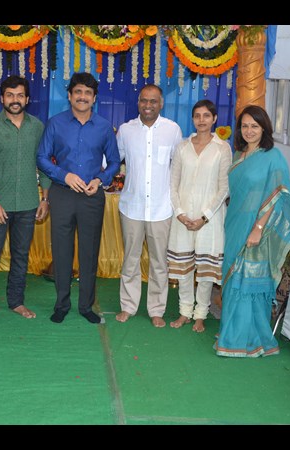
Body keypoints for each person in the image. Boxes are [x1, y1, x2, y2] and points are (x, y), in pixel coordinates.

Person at [214, 105, 290, 357]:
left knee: (248, 280)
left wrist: (258, 228)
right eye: (245, 126)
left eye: (254, 126)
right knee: (232, 277)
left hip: (255, 227)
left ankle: (247, 339)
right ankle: (231, 329)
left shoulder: (273, 156)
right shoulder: (239, 154)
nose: (249, 131)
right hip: (234, 223)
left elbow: (279, 196)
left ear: (264, 128)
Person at [37, 72, 120, 324]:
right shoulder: (55, 123)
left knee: (89, 252)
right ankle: (61, 304)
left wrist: (100, 180)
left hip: (92, 196)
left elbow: (114, 162)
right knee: (62, 251)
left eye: (88, 93)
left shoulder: (104, 126)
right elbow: (42, 157)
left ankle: (86, 306)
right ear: (70, 95)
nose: (82, 97)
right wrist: (64, 175)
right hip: (62, 194)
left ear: (94, 98)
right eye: (78, 92)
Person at [0, 75, 50, 323]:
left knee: (21, 255)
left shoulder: (37, 127)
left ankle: (16, 301)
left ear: (27, 99)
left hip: (28, 203)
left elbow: (44, 164)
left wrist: (45, 198)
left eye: (19, 95)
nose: (15, 100)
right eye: (10, 95)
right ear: (2, 98)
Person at [115, 84, 183, 327]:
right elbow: (112, 159)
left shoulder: (173, 130)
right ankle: (128, 306)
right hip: (131, 207)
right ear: (138, 103)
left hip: (161, 208)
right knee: (130, 260)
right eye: (144, 100)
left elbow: (179, 167)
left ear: (161, 103)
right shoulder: (126, 130)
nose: (148, 105)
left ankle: (156, 310)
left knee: (159, 263)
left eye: (153, 101)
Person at [167, 99, 232, 333]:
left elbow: (224, 188)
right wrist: (180, 214)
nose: (201, 120)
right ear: (193, 119)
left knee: (205, 270)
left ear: (214, 119)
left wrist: (204, 217)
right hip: (183, 217)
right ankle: (185, 312)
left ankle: (201, 315)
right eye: (197, 116)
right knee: (184, 268)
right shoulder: (182, 147)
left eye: (206, 115)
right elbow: (172, 184)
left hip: (210, 219)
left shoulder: (222, 148)